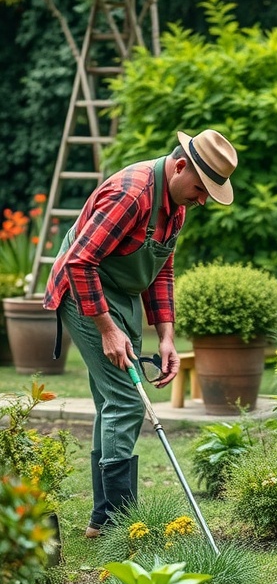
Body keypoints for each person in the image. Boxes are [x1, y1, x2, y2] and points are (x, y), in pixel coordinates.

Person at [44, 129, 237, 538]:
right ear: (181, 166)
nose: (202, 200)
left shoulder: (177, 204)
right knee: (126, 402)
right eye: (202, 189)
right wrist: (108, 330)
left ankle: (102, 520)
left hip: (122, 292)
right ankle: (114, 520)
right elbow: (80, 263)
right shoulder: (131, 195)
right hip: (85, 292)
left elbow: (161, 269)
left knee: (111, 401)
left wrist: (166, 336)